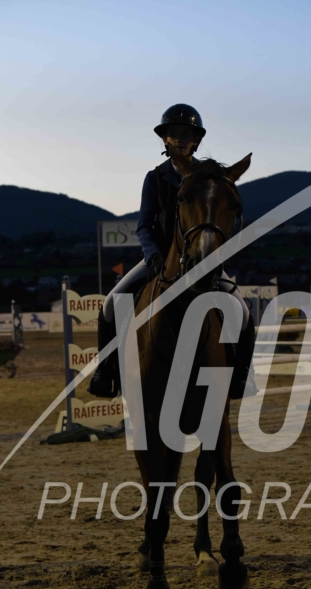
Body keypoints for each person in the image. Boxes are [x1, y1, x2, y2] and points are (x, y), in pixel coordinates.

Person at [87, 103, 257, 400]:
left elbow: (221, 218)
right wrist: (153, 256)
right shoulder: (154, 178)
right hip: (159, 259)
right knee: (111, 304)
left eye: (186, 134)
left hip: (202, 259)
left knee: (242, 311)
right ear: (165, 139)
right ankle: (106, 371)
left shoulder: (209, 178)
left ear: (196, 140)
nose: (180, 139)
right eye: (174, 133)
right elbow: (144, 225)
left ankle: (242, 374)